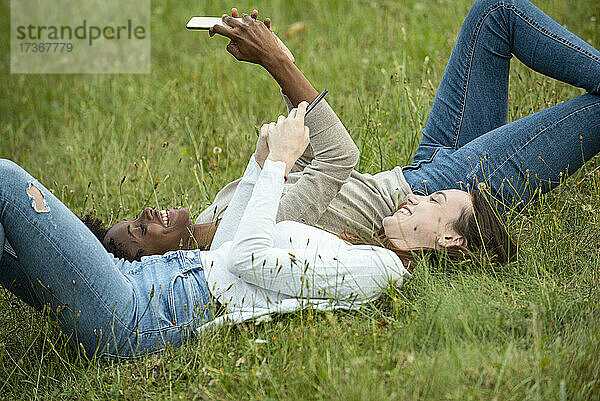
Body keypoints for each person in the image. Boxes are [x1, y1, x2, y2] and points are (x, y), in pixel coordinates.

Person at [102, 0, 600, 265]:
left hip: (419, 173)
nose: (146, 214)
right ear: (157, 263)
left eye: (135, 218)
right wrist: (277, 63)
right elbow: (338, 155)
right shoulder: (246, 235)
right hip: (439, 200)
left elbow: (299, 150)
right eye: (143, 231)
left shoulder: (215, 215)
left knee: (494, 12)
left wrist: (277, 61)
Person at [0, 102, 409, 359]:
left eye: (435, 202)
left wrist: (279, 163)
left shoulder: (382, 268)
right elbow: (233, 251)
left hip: (136, 310)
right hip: (139, 290)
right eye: (433, 197)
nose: (418, 200)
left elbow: (246, 254)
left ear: (449, 239)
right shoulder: (376, 261)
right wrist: (264, 162)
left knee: (6, 179)